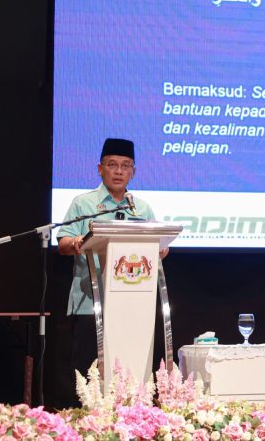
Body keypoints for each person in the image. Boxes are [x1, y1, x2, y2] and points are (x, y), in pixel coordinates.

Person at [57, 137, 167, 382]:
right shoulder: (83, 203)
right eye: (112, 164)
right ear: (100, 168)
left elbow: (157, 245)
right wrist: (76, 242)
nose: (119, 171)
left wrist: (160, 249)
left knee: (130, 371)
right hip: (90, 302)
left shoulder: (142, 209)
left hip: (133, 304)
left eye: (125, 166)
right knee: (89, 377)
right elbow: (63, 243)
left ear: (133, 172)